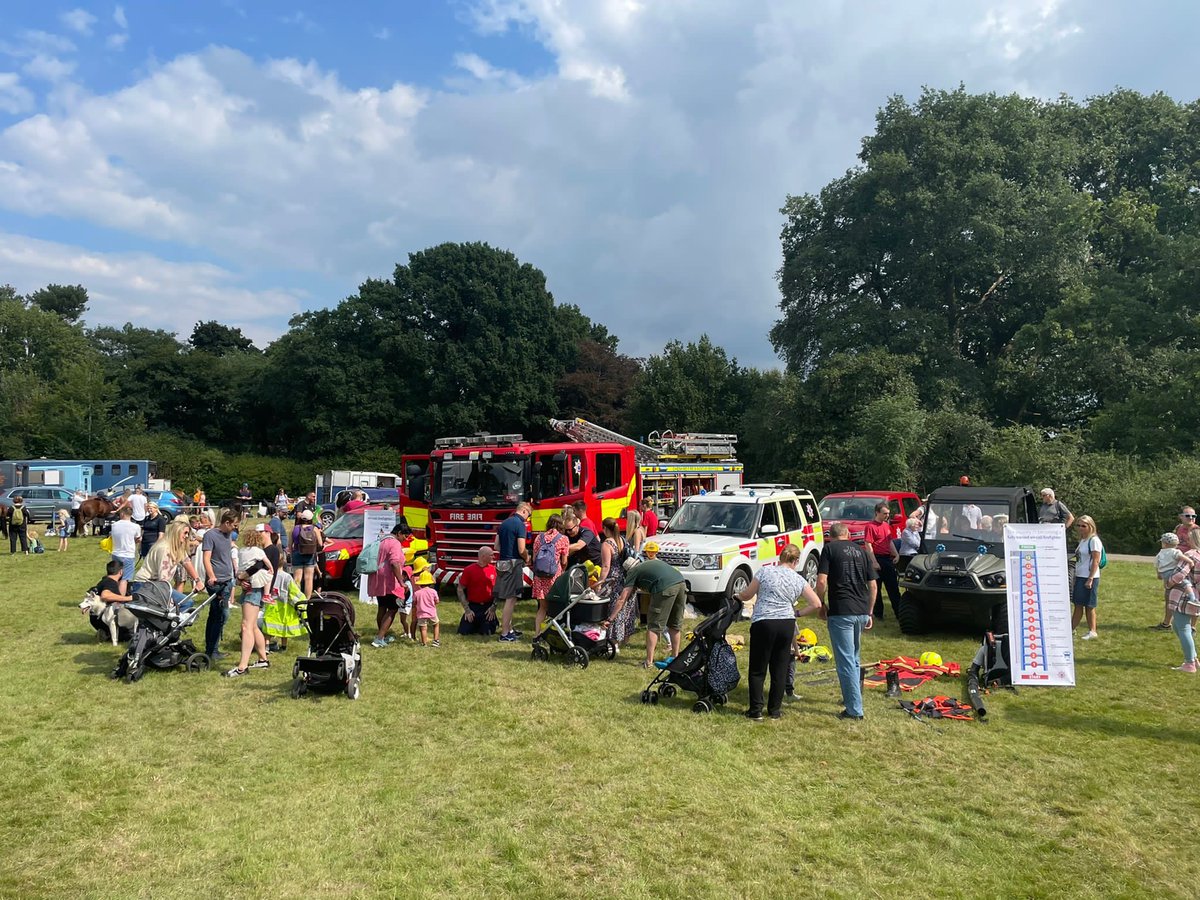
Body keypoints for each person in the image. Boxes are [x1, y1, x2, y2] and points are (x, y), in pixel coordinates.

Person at [735, 544, 823, 722]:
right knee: (780, 668)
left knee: (758, 669)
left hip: (764, 622)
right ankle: (774, 710)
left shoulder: (765, 572)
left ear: (780, 557)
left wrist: (736, 597)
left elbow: (747, 595)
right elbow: (816, 603)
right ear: (796, 561)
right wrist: (797, 613)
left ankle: (756, 710)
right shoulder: (798, 579)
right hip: (786, 624)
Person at [816, 522, 878, 720]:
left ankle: (854, 710)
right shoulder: (862, 551)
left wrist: (821, 604)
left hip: (842, 610)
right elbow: (874, 586)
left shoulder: (829, 549)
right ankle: (853, 697)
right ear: (848, 535)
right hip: (861, 610)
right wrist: (869, 612)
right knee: (855, 657)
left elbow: (822, 581)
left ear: (831, 536)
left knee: (845, 661)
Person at [604, 541, 687, 668]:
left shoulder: (633, 572)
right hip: (681, 582)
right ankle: (675, 657)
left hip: (665, 588)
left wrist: (611, 618)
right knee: (674, 624)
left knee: (653, 626)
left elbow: (622, 599)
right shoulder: (650, 563)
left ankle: (648, 662)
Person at [224, 528, 274, 678]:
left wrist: (242, 578)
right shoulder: (258, 551)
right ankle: (263, 659)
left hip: (253, 590)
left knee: (246, 626)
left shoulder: (252, 552)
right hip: (253, 588)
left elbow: (256, 567)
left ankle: (242, 666)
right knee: (251, 626)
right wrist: (241, 579)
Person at [202, 510, 239, 661]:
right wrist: (212, 576)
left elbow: (226, 554)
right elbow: (206, 558)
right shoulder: (210, 535)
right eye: (235, 525)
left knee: (218, 615)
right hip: (216, 583)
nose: (236, 528)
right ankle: (212, 650)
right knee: (219, 615)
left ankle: (212, 648)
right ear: (227, 523)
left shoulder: (228, 535)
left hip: (227, 580)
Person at [368, 522, 411, 648]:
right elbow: (394, 563)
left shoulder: (382, 540)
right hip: (389, 581)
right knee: (392, 609)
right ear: (398, 533)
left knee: (382, 607)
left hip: (377, 578)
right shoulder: (395, 543)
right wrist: (401, 581)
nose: (405, 539)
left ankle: (382, 635)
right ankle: (379, 638)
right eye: (405, 536)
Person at [495, 502, 531, 643]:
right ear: (523, 511)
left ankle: (509, 628)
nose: (528, 518)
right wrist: (527, 557)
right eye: (528, 514)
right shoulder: (520, 525)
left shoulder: (503, 523)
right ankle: (505, 633)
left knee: (507, 598)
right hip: (513, 563)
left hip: (502, 563)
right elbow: (521, 548)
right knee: (511, 599)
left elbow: (496, 546)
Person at [530, 514, 570, 635]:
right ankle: (552, 633)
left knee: (542, 608)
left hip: (539, 577)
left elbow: (534, 559)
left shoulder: (539, 538)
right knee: (554, 608)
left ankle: (537, 634)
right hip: (554, 578)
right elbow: (564, 561)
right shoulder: (563, 539)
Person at [1162, 552, 1199, 673]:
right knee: (1178, 627)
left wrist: (1169, 582)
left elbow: (1180, 574)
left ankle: (1189, 663)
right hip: (1195, 595)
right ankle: (1193, 658)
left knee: (1183, 628)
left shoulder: (1191, 554)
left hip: (1184, 596)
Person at [862, 501, 900, 619]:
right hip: (877, 558)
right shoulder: (870, 526)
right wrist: (874, 562)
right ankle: (878, 614)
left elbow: (889, 542)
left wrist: (896, 554)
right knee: (876, 588)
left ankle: (899, 613)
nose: (887, 516)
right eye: (884, 513)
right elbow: (868, 545)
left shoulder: (886, 526)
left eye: (888, 513)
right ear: (877, 513)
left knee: (893, 587)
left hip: (887, 559)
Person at [1070, 516, 1103, 640]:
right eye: (1078, 525)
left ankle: (1092, 631)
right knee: (1078, 604)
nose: (1080, 528)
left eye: (1083, 526)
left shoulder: (1094, 540)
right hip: (1080, 575)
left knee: (1089, 605)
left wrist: (1090, 578)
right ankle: (1071, 629)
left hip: (1089, 577)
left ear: (1090, 526)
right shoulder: (1083, 540)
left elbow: (1096, 560)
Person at [457, 545, 498, 636]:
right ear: (483, 556)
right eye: (491, 555)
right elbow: (460, 589)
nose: (493, 557)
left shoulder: (494, 570)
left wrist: (493, 608)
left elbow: (498, 590)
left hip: (488, 607)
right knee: (464, 631)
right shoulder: (469, 570)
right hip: (473, 606)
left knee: (487, 632)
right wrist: (467, 610)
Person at [264, 566, 305, 652]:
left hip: (271, 604)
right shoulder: (287, 576)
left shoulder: (269, 573)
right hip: (284, 606)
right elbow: (293, 591)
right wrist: (302, 601)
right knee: (284, 628)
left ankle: (266, 646)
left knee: (268, 626)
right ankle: (283, 646)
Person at [290, 509, 325, 599]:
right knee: (308, 578)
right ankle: (307, 600)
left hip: (297, 553)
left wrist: (291, 555)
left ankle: (296, 599)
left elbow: (290, 545)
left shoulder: (295, 529)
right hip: (310, 554)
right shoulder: (315, 529)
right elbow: (320, 544)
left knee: (297, 578)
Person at [109, 507, 141, 581]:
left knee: (116, 576)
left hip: (116, 553)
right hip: (128, 554)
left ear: (122, 514)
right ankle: (122, 592)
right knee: (125, 579)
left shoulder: (114, 525)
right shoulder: (136, 526)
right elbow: (138, 538)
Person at [411, 568, 440, 647]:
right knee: (436, 624)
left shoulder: (417, 593)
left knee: (423, 628)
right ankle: (436, 641)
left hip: (421, 614)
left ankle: (424, 644)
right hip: (432, 613)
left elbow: (414, 602)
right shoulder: (433, 591)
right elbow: (437, 601)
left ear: (420, 583)